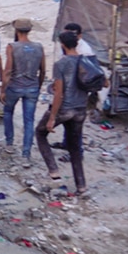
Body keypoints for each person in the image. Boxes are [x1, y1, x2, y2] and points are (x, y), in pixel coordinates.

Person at [34, 31, 90, 195]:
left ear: (63, 45)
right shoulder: (86, 61)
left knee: (40, 133)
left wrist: (52, 117)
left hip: (65, 108)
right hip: (81, 109)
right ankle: (81, 186)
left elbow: (59, 93)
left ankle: (54, 173)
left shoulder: (61, 64)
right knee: (75, 147)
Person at [2, 18, 46, 162]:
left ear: (16, 30)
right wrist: (38, 86)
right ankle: (26, 154)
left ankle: (9, 143)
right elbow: (43, 70)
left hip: (14, 86)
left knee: (8, 112)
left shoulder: (12, 47)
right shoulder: (39, 47)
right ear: (30, 30)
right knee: (29, 121)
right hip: (32, 87)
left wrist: (3, 89)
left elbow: (8, 70)